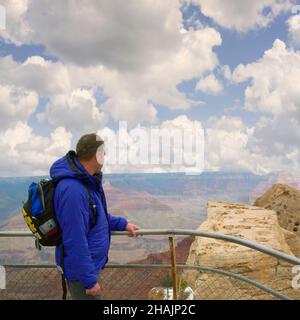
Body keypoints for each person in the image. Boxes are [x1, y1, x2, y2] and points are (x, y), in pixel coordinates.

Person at [50, 133, 139, 300]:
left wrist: (123, 224)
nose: (105, 157)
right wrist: (90, 281)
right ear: (96, 155)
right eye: (103, 153)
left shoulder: (87, 183)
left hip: (87, 268)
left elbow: (97, 216)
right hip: (82, 275)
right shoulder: (73, 191)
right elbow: (75, 240)